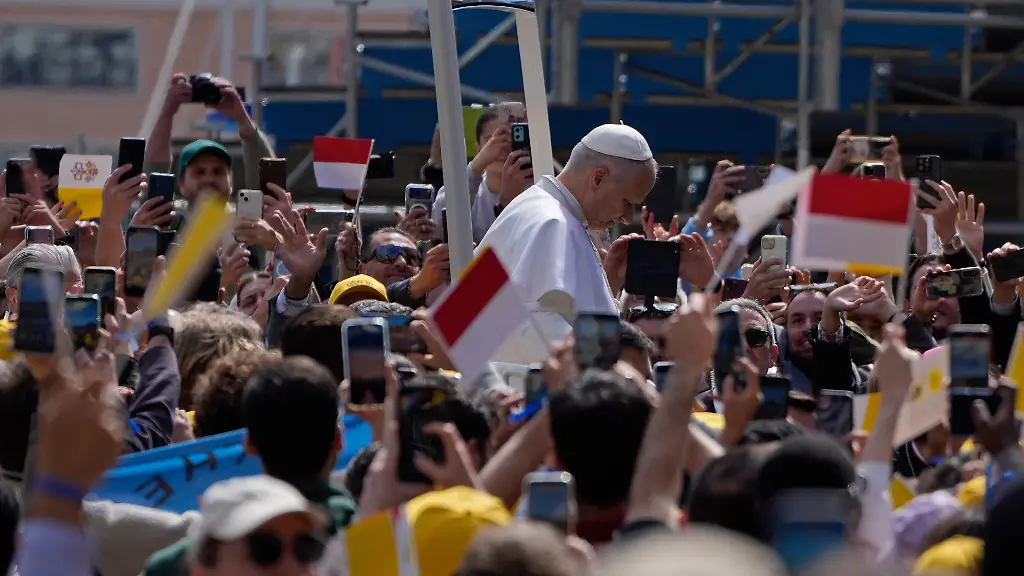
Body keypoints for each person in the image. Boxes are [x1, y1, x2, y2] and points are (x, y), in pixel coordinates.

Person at [481, 124, 657, 365]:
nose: (627, 217)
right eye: (627, 201)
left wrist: (610, 282)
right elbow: (539, 334)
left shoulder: (536, 208)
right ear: (598, 178)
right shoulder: (551, 222)